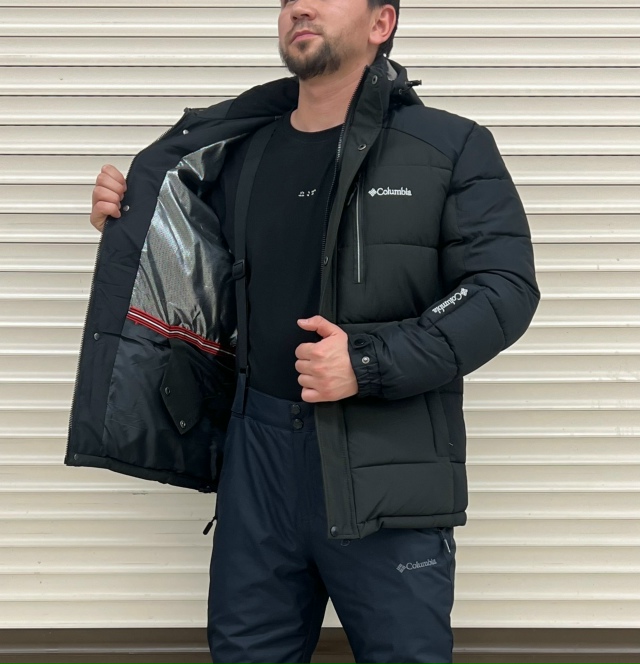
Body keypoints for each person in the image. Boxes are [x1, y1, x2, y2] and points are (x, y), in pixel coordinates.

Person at [71, 0, 540, 662]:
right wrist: (134, 216)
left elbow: (503, 288)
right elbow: (192, 269)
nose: (300, 6)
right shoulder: (238, 152)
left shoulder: (450, 146)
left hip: (384, 466)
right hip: (257, 461)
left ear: (381, 24)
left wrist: (370, 361)